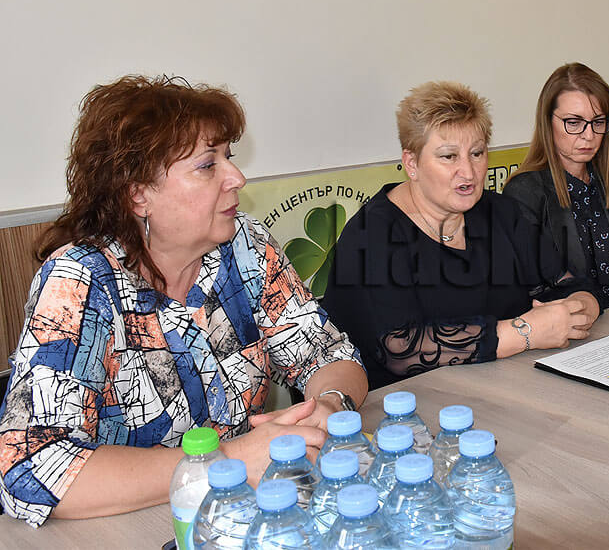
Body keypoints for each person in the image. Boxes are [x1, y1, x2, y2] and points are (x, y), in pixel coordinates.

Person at [0, 76, 367, 527]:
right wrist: (228, 460)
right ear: (138, 194)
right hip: (127, 528)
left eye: (229, 157)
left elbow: (327, 354)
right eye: (208, 165)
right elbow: (31, 468)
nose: (237, 178)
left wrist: (329, 407)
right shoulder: (80, 280)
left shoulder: (245, 245)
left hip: (241, 516)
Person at [321, 81, 600, 390]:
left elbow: (568, 284)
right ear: (412, 163)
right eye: (449, 156)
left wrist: (580, 308)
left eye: (477, 153)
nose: (468, 172)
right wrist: (525, 332)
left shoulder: (501, 212)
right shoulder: (371, 234)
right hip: (403, 405)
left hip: (504, 387)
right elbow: (402, 349)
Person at [503, 62, 609, 308]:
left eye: (598, 122)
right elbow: (535, 291)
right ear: (547, 122)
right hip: (572, 321)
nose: (589, 135)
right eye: (573, 122)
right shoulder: (525, 191)